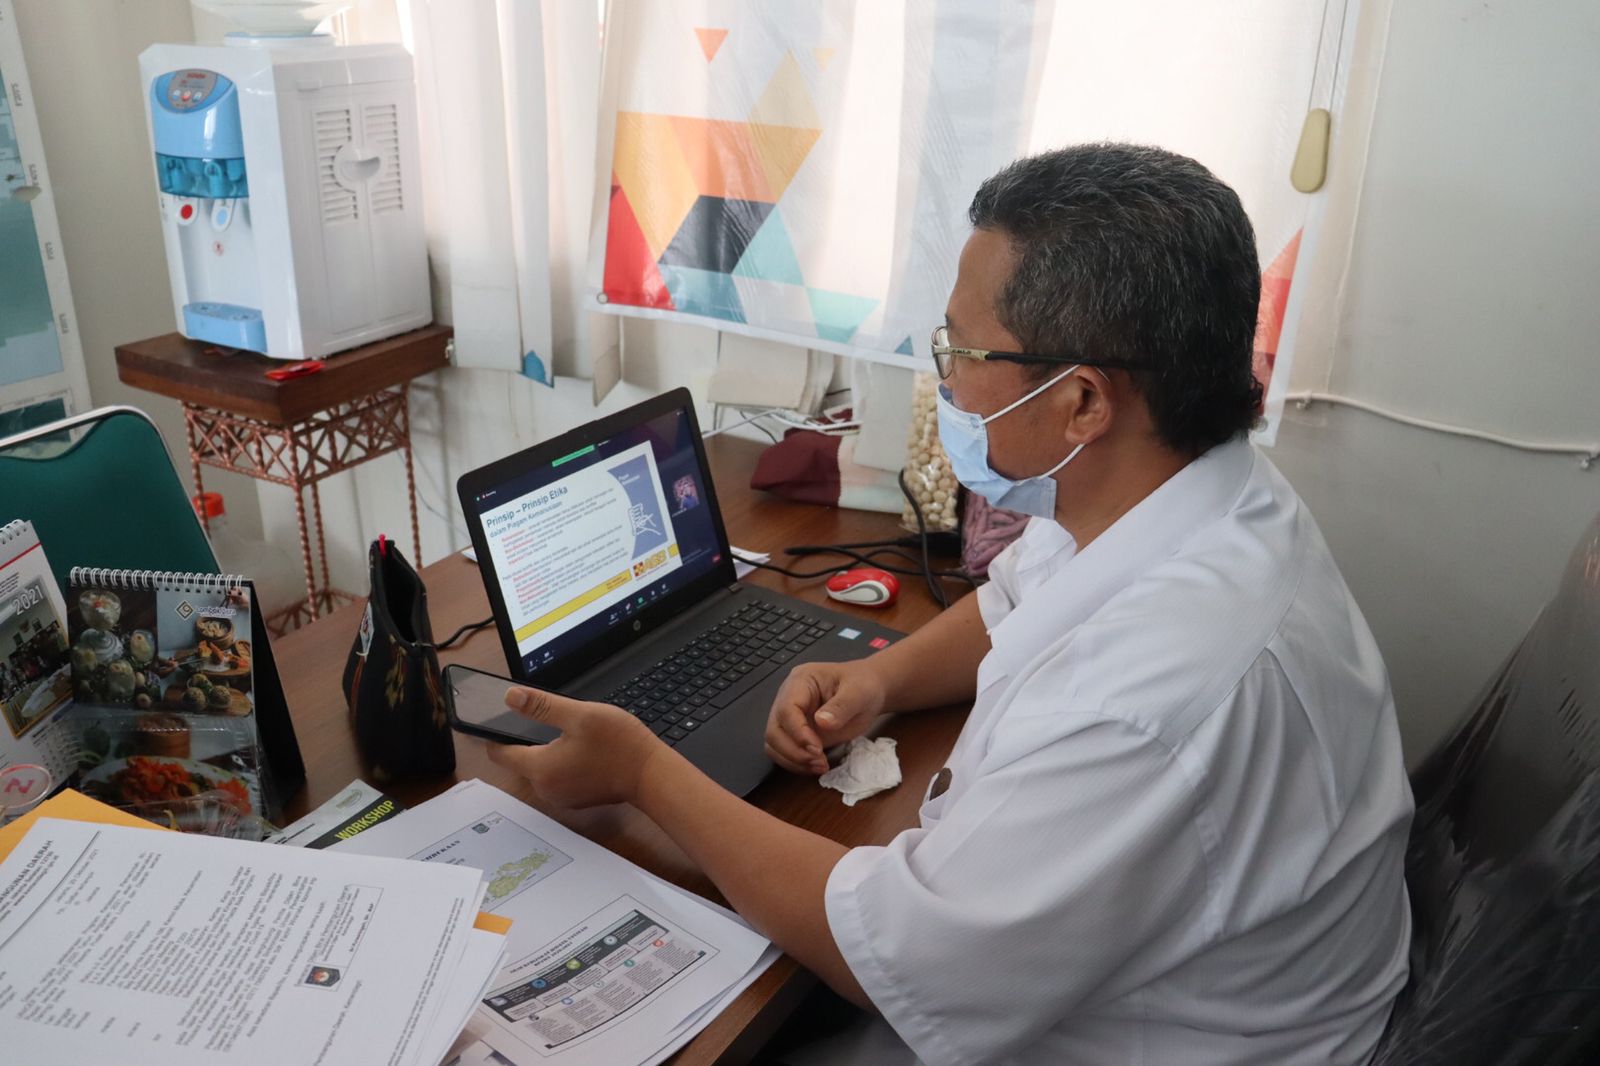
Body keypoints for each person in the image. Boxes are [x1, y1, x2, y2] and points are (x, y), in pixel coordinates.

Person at [488, 143, 1413, 1065]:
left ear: (1083, 402)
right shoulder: (1195, 494)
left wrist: (644, 773)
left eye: (962, 352)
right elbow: (1019, 594)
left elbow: (901, 955)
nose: (947, 380)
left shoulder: (1146, 693)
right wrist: (879, 680)